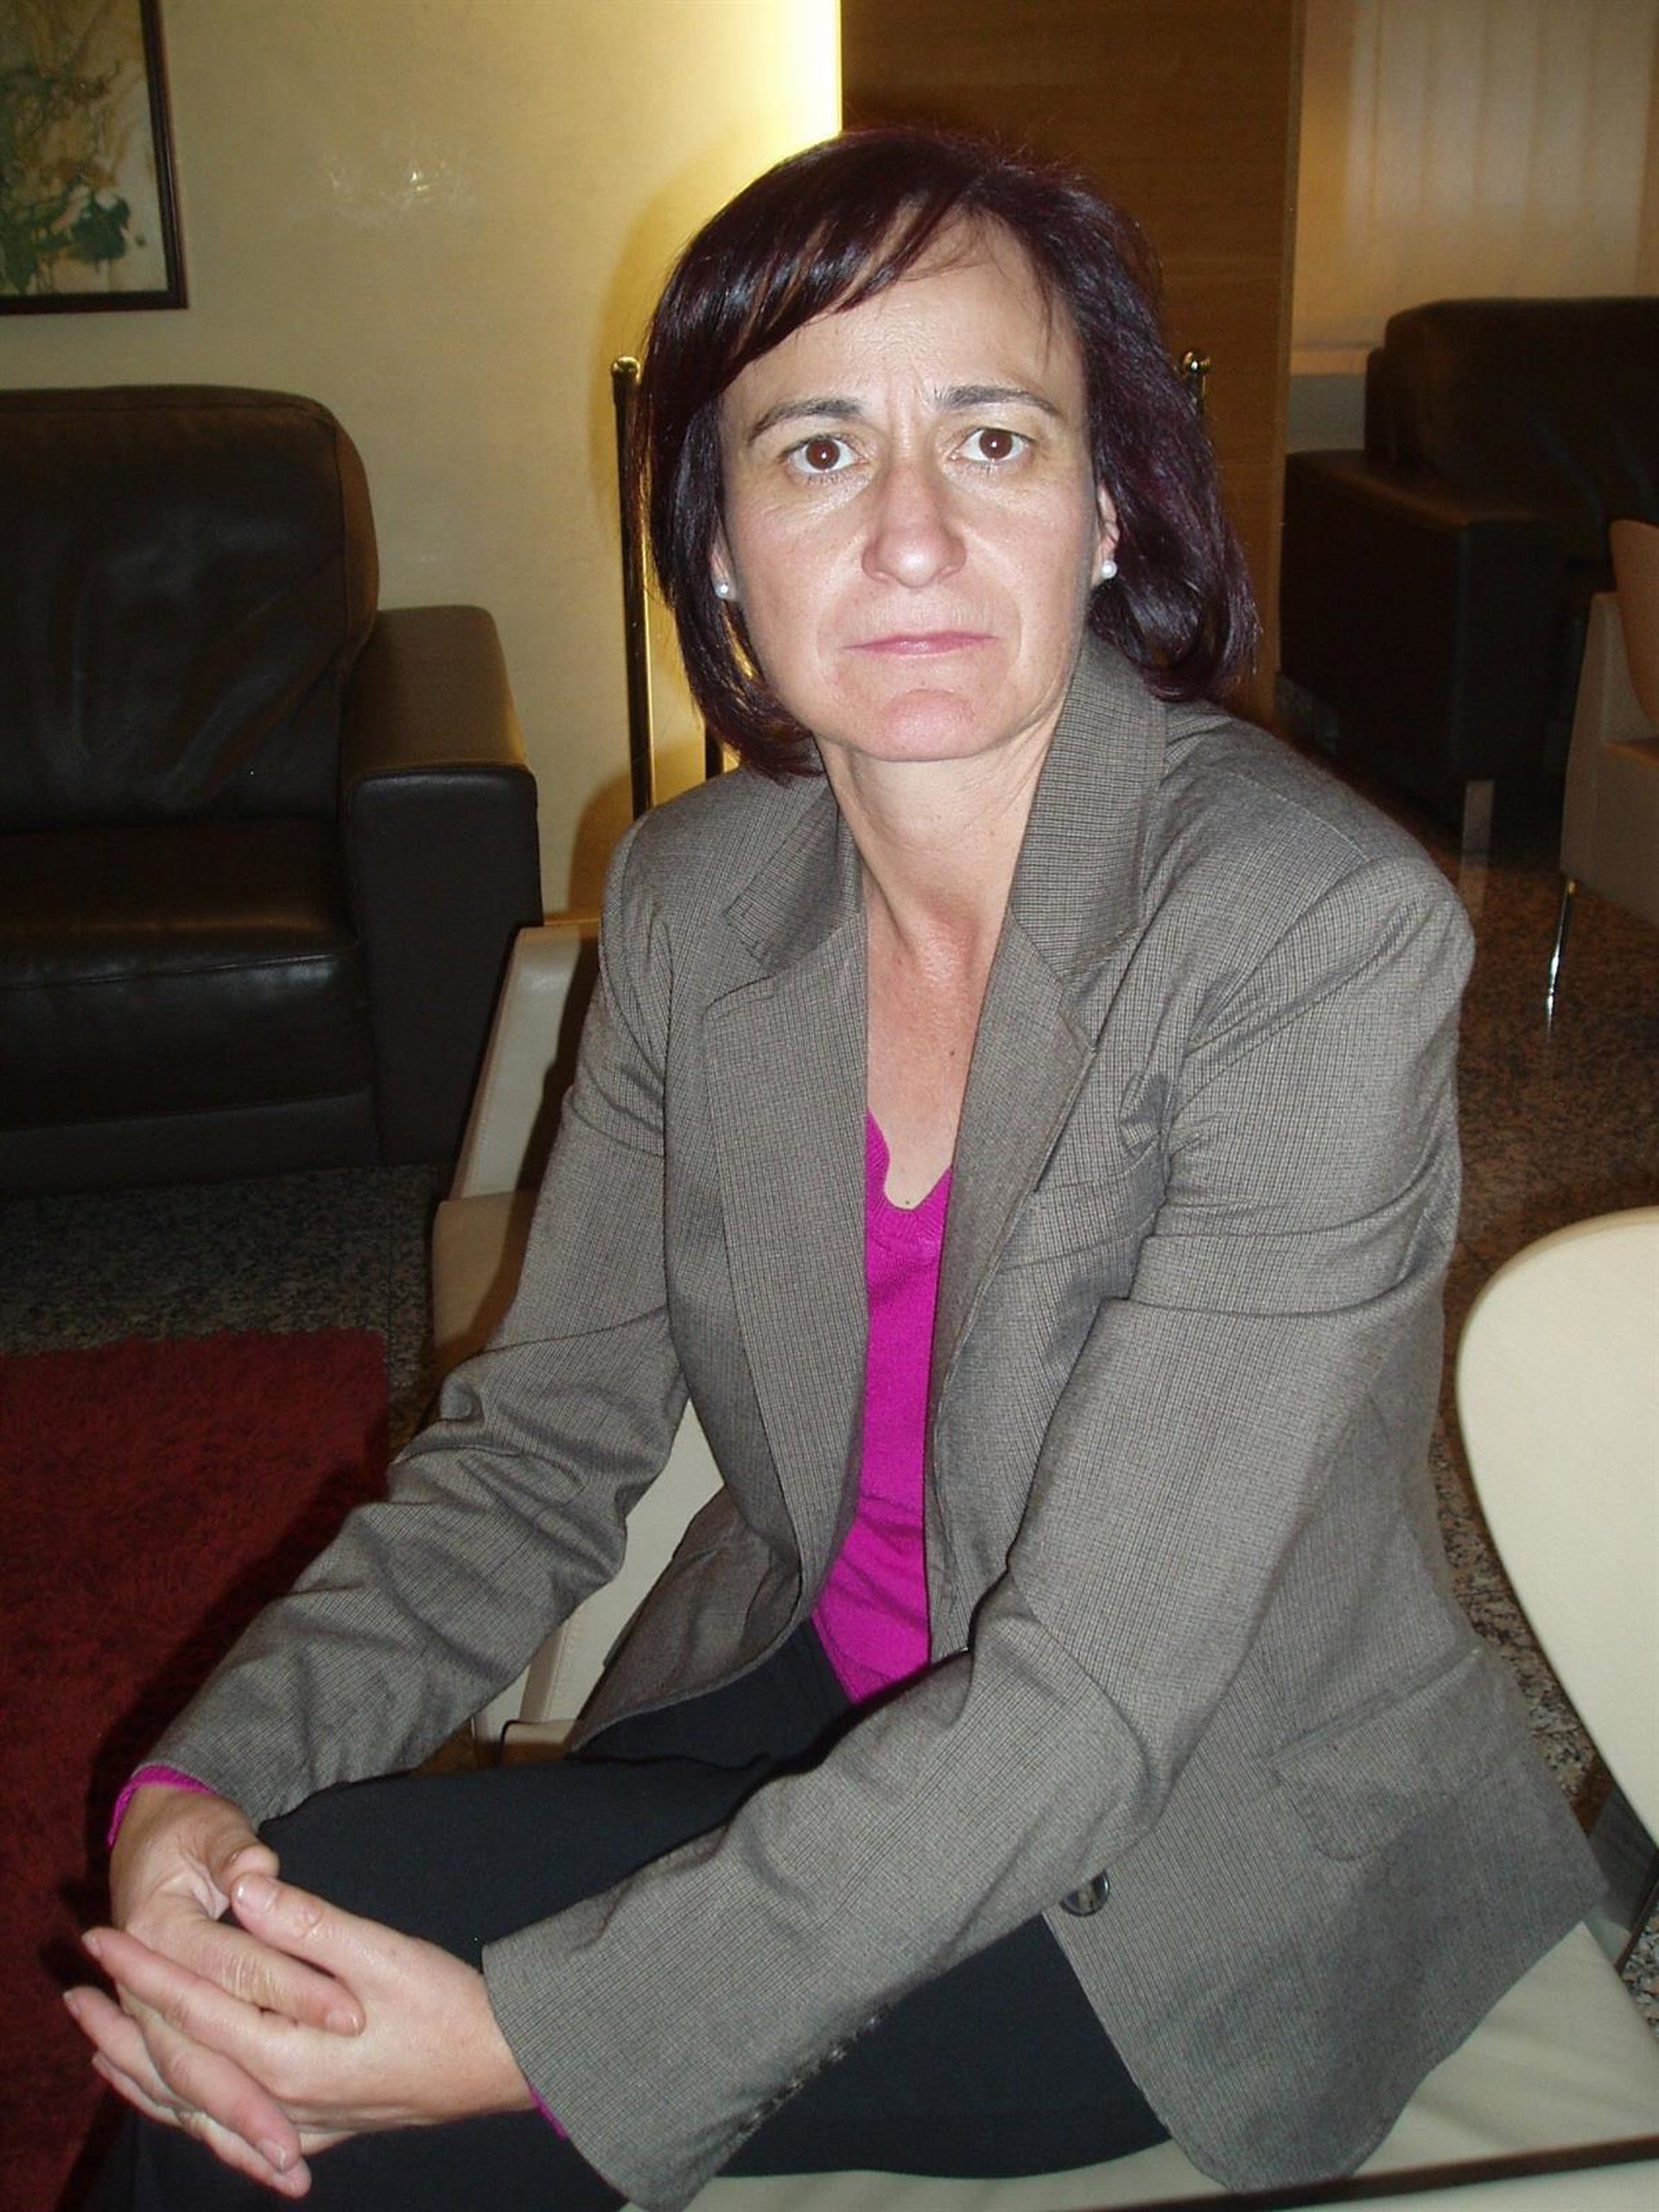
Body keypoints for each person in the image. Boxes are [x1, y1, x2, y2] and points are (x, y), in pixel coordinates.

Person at [71, 127, 1599, 2212]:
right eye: (814, 451)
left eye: (993, 438)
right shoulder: (695, 896)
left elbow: (1089, 1692)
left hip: (1178, 1852)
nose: (909, 535)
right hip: (824, 1682)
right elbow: (538, 1448)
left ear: (1108, 507)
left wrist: (526, 2045)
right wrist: (201, 1774)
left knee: (286, 2111)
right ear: (716, 551)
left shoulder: (1305, 937)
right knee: (278, 1916)